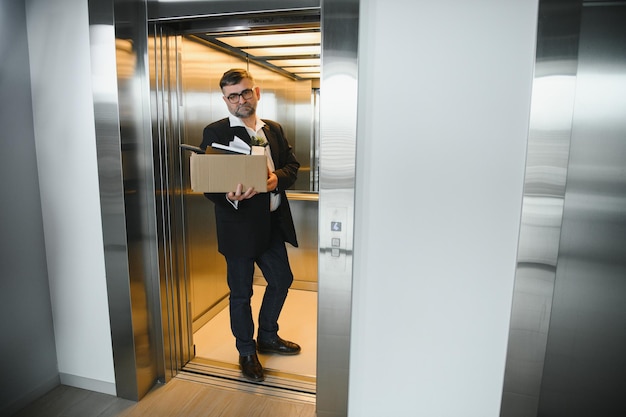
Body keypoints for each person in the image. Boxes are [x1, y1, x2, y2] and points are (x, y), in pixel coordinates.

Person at [199, 68, 301, 382]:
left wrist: (275, 181)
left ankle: (268, 335)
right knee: (241, 294)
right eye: (232, 96)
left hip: (272, 224)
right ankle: (246, 350)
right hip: (238, 228)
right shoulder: (216, 132)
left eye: (245, 92)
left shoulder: (274, 129)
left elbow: (292, 167)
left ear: (256, 93)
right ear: (225, 100)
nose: (240, 100)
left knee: (282, 279)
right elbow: (209, 182)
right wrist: (228, 195)